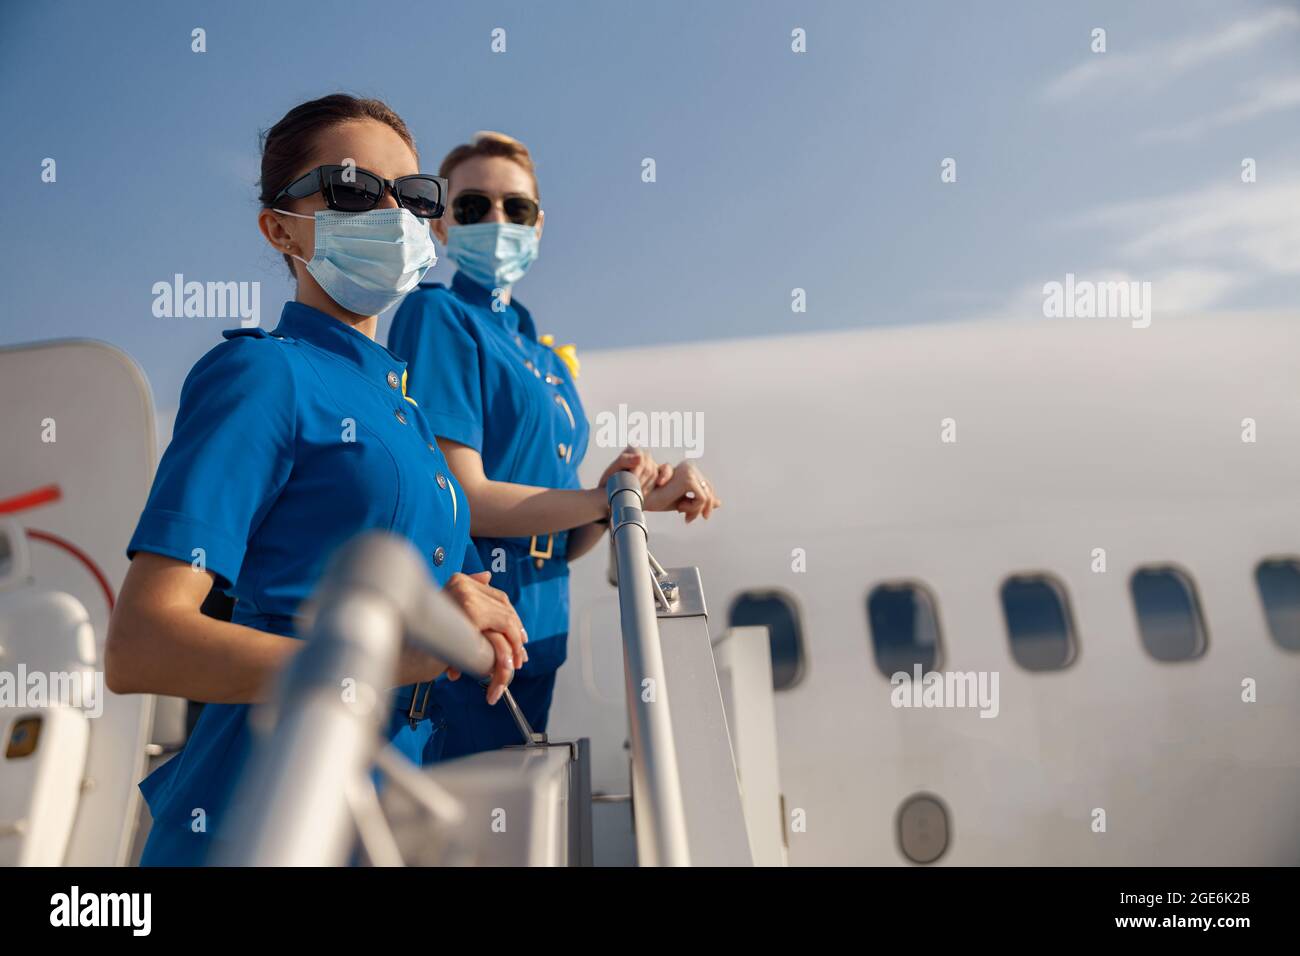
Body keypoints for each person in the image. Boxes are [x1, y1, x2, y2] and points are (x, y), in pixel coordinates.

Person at [105, 95, 527, 866]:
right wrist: (393, 658)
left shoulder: (406, 411)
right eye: (352, 189)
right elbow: (143, 646)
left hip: (389, 811)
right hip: (261, 815)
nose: (391, 211)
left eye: (412, 194)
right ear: (279, 227)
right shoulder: (264, 375)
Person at [387, 131, 721, 757]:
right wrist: (600, 498)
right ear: (440, 228)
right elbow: (468, 499)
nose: (495, 220)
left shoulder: (546, 358)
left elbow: (561, 536)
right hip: (467, 629)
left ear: (538, 227)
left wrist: (632, 495)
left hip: (540, 628)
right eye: (472, 207)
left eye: (515, 209)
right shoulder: (438, 316)